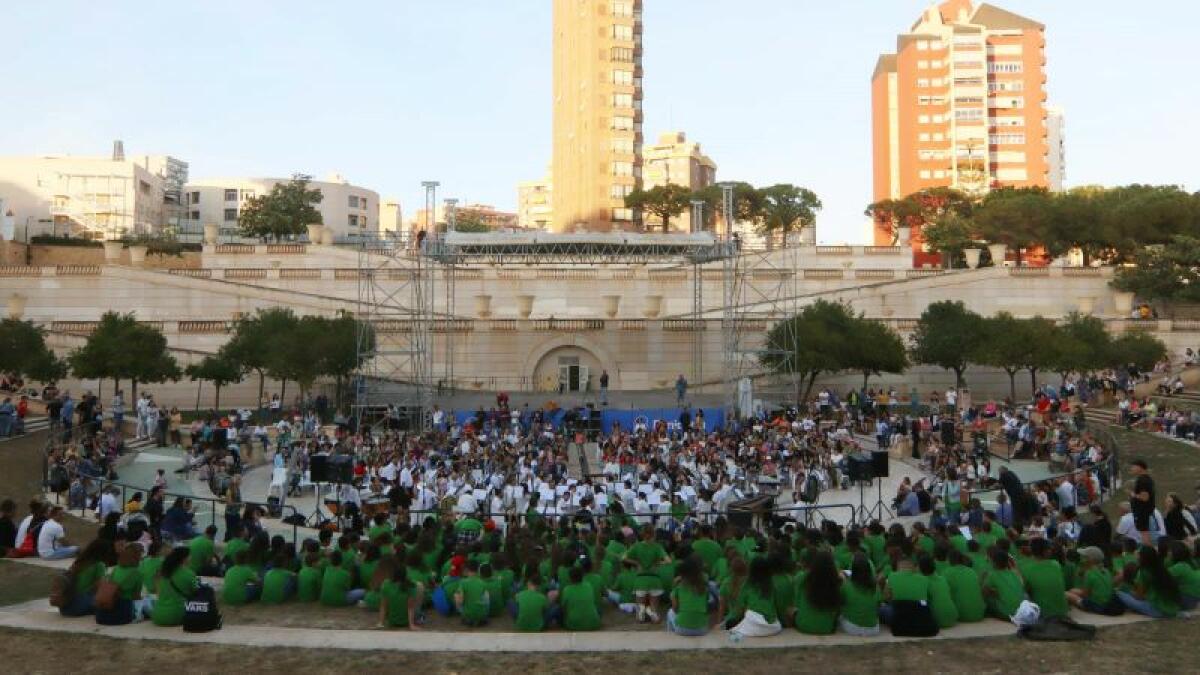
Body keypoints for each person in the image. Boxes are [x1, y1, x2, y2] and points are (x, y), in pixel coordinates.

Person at [1117, 546, 1180, 618]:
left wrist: (1130, 592)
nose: (1136, 555)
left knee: (1119, 594)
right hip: (1172, 610)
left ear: (1142, 557)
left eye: (1138, 554)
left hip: (1158, 611)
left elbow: (1139, 596)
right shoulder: (1161, 569)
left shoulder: (1144, 571)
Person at [794, 549, 843, 635]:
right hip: (827, 628)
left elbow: (796, 602)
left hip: (803, 626)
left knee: (790, 611)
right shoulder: (836, 581)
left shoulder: (802, 577)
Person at [96, 543, 146, 625]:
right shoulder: (137, 573)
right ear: (138, 556)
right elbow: (136, 596)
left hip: (102, 614)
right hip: (122, 615)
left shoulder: (116, 568)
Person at [1021, 538, 1069, 619]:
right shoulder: (1056, 564)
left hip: (1043, 615)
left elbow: (1024, 591)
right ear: (1046, 551)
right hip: (1063, 613)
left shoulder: (1026, 568)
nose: (1051, 550)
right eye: (1049, 548)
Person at [1066, 546, 1122, 616]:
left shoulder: (1089, 573)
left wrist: (1074, 591)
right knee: (1073, 590)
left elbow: (1085, 595)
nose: (1082, 559)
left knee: (1067, 594)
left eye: (1084, 557)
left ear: (1090, 559)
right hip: (1107, 603)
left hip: (1097, 606)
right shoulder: (1106, 571)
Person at [59, 540, 108, 617]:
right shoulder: (99, 564)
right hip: (78, 607)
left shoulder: (79, 561)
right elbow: (100, 585)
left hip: (65, 608)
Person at [152, 547, 199, 627]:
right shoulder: (189, 574)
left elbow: (158, 593)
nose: (191, 558)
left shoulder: (162, 572)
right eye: (189, 556)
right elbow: (196, 593)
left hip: (158, 615)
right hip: (177, 615)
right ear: (184, 559)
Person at [667, 555, 709, 636]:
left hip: (682, 629)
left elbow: (675, 609)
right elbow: (705, 606)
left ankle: (670, 636)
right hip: (702, 629)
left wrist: (674, 584)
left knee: (670, 612)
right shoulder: (704, 588)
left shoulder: (679, 588)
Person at [839, 553, 880, 636]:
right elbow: (878, 604)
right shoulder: (875, 586)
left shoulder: (847, 586)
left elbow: (839, 603)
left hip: (852, 628)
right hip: (873, 630)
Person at [379, 560, 423, 629]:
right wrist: (411, 625)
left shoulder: (386, 584)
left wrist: (381, 623)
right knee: (420, 587)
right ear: (405, 574)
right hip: (406, 622)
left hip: (392, 621)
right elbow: (410, 607)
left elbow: (383, 606)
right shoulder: (410, 586)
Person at [561, 565, 601, 631]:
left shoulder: (567, 590)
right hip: (593, 623)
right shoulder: (589, 586)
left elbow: (563, 608)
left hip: (574, 625)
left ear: (570, 577)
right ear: (582, 576)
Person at [1128, 459, 1157, 546]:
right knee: (1146, 532)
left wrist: (1133, 495)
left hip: (1142, 511)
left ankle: (1148, 552)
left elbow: (1145, 498)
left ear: (1140, 467)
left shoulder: (1142, 481)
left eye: (1133, 467)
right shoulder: (1147, 479)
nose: (1131, 469)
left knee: (1144, 533)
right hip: (1145, 511)